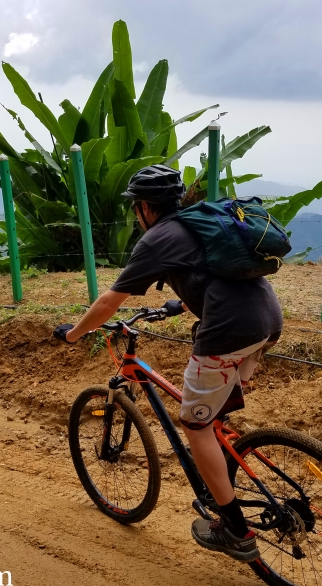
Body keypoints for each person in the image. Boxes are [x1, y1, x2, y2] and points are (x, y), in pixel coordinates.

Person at [53, 165, 283, 562]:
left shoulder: (157, 239)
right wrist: (183, 301)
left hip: (229, 330)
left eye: (135, 209)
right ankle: (225, 462)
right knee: (213, 417)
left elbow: (109, 302)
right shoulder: (199, 220)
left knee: (194, 425)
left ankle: (235, 530)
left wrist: (74, 333)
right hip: (267, 321)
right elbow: (207, 271)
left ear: (143, 207)